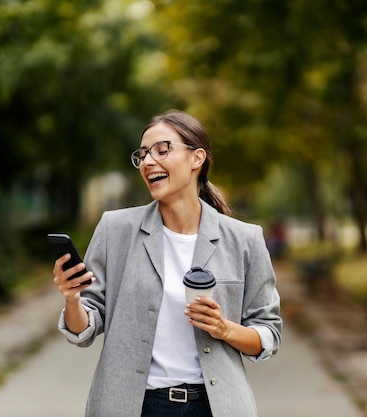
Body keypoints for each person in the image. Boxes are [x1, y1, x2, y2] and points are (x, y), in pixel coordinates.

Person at [53, 109, 282, 417]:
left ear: (196, 158)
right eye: (143, 154)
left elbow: (267, 333)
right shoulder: (115, 230)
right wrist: (72, 299)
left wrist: (224, 329)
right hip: (133, 407)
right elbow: (85, 328)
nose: (148, 162)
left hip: (215, 407)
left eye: (162, 150)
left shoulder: (244, 239)